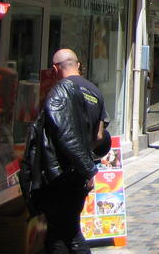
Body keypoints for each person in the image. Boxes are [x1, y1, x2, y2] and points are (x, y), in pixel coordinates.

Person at [29, 48, 108, 254]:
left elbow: (65, 135)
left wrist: (86, 168)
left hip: (61, 174)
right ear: (78, 65)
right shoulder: (95, 91)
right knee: (66, 230)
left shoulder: (60, 91)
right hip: (77, 175)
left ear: (55, 69)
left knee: (62, 234)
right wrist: (87, 163)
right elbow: (99, 136)